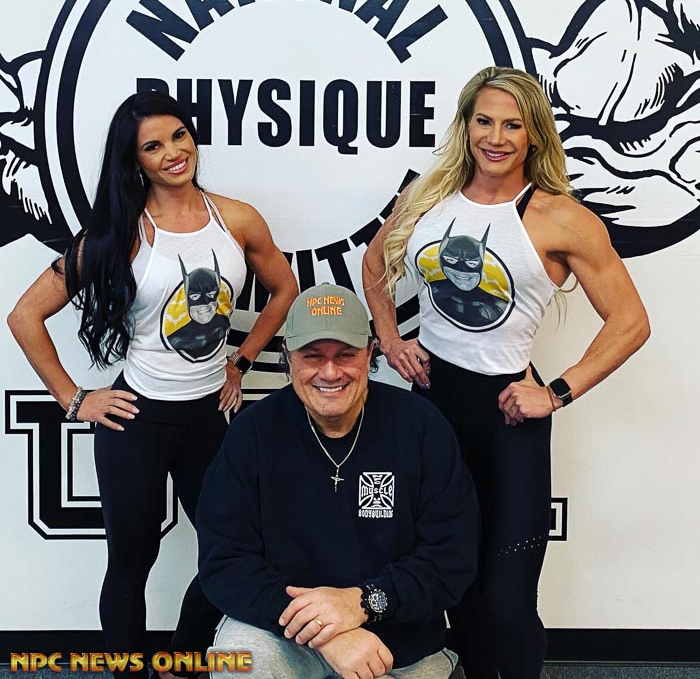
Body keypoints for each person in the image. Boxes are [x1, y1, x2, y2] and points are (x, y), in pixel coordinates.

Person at [362, 66, 650, 679]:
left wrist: (558, 392)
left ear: (534, 134)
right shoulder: (428, 197)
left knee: (508, 601)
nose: (496, 138)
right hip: (431, 410)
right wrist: (389, 337)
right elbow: (375, 261)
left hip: (506, 420)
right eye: (484, 122)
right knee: (455, 585)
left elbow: (630, 322)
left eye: (512, 125)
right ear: (465, 126)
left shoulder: (560, 218)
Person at [7, 91, 298, 678]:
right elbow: (24, 316)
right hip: (136, 422)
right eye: (153, 146)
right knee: (130, 562)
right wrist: (75, 399)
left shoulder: (237, 219)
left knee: (233, 553)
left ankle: (181, 661)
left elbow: (284, 288)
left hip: (208, 420)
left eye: (179, 136)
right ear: (134, 160)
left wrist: (240, 362)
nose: (173, 153)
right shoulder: (120, 234)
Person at [196, 283, 478, 679]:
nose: (330, 373)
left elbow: (450, 558)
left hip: (397, 641)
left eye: (345, 355)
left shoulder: (421, 426)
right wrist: (325, 631)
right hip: (284, 630)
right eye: (312, 356)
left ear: (370, 353)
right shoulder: (253, 431)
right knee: (242, 662)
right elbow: (226, 562)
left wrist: (363, 604)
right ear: (288, 358)